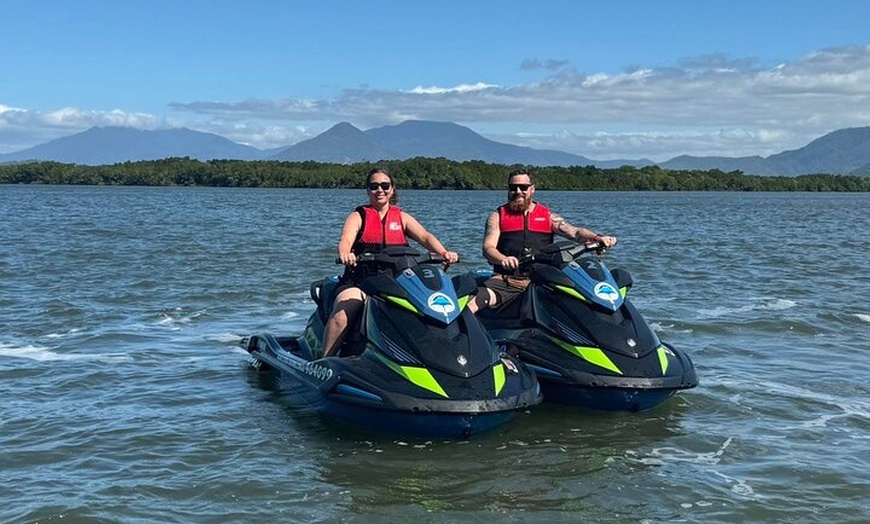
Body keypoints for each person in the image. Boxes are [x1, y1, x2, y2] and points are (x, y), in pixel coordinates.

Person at [321, 168, 460, 357]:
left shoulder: (402, 217)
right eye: (374, 186)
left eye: (385, 186)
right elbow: (346, 238)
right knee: (345, 311)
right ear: (367, 190)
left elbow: (425, 237)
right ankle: (324, 361)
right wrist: (346, 253)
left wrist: (443, 252)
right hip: (361, 282)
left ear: (392, 190)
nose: (380, 190)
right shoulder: (358, 216)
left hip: (396, 283)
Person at [468, 169, 618, 314]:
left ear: (532, 189)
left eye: (523, 187)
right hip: (507, 281)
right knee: (472, 305)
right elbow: (488, 248)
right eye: (513, 187)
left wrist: (598, 238)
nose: (518, 191)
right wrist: (503, 259)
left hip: (544, 280)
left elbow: (576, 232)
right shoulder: (498, 216)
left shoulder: (547, 216)